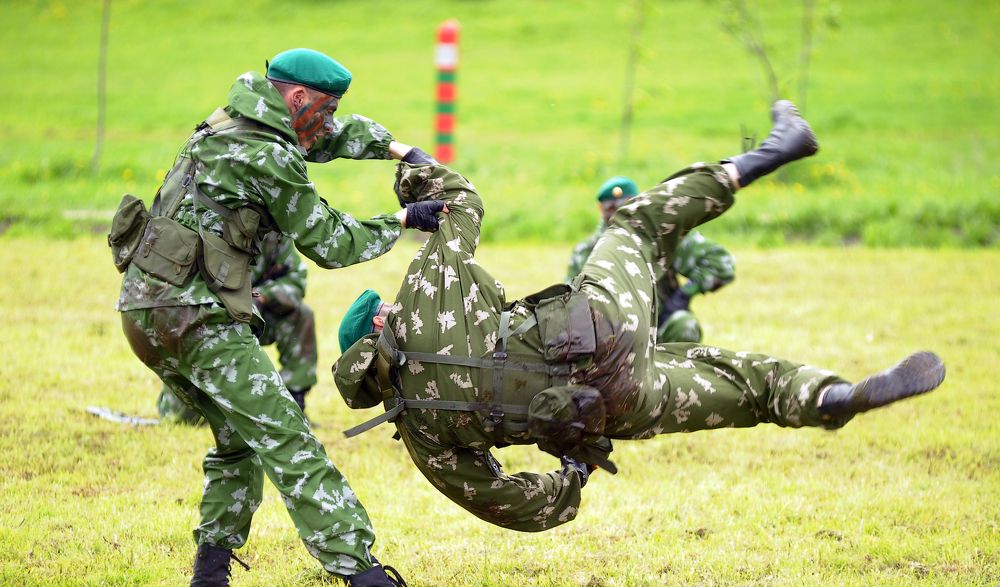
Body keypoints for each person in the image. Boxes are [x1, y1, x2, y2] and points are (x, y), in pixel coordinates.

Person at [333, 101, 945, 533]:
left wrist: (573, 472)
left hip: (608, 408)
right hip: (598, 327)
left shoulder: (420, 434)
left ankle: (832, 396)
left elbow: (509, 505)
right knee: (634, 223)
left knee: (745, 387)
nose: (390, 306)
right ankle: (769, 153)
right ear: (382, 327)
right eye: (383, 310)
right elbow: (462, 202)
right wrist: (406, 157)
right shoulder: (422, 295)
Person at [109, 48, 444, 587]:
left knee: (239, 441)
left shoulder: (228, 121)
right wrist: (407, 220)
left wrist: (402, 150)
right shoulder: (265, 154)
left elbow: (326, 138)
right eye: (328, 108)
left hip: (143, 312)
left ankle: (210, 584)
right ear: (297, 99)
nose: (331, 122)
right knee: (290, 442)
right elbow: (331, 241)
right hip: (196, 317)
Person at [157, 233, 318, 424]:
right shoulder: (211, 226)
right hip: (212, 315)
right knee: (187, 420)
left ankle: (293, 407)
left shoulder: (274, 234)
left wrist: (261, 297)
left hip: (256, 314)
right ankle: (192, 402)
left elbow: (296, 280)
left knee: (301, 314)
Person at [567, 176, 735, 343]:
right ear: (601, 209)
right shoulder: (586, 252)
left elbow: (720, 263)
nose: (618, 213)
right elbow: (570, 304)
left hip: (658, 333)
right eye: (611, 208)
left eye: (624, 206)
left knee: (684, 325)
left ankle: (677, 368)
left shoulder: (660, 238)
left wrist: (683, 295)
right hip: (610, 343)